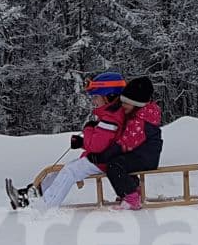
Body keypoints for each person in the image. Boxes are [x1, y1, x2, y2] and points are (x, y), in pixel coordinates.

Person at [15, 73, 128, 210]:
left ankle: (45, 205)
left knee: (70, 171)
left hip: (104, 161)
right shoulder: (110, 115)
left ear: (109, 96)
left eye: (96, 97)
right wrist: (81, 142)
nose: (94, 101)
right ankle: (35, 193)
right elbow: (102, 142)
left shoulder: (111, 118)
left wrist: (88, 129)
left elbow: (96, 146)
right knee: (63, 170)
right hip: (100, 158)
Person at [87, 76, 162, 210]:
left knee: (114, 165)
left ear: (136, 104)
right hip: (141, 155)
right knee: (118, 162)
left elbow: (124, 143)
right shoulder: (138, 115)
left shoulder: (140, 122)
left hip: (146, 158)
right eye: (122, 102)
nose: (123, 106)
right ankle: (134, 190)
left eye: (126, 103)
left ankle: (131, 198)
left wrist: (103, 156)